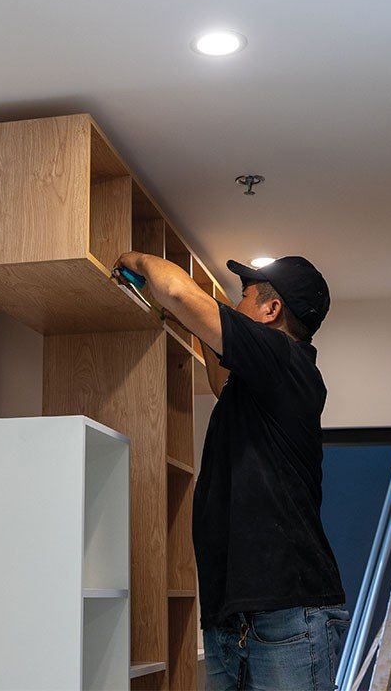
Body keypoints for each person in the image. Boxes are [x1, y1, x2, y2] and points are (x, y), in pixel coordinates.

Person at [112, 252, 350, 691]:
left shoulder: (284, 358)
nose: (235, 306)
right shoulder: (262, 382)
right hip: (234, 613)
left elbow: (176, 289)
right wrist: (197, 326)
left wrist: (134, 259)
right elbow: (220, 383)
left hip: (285, 613)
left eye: (244, 296)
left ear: (271, 310)